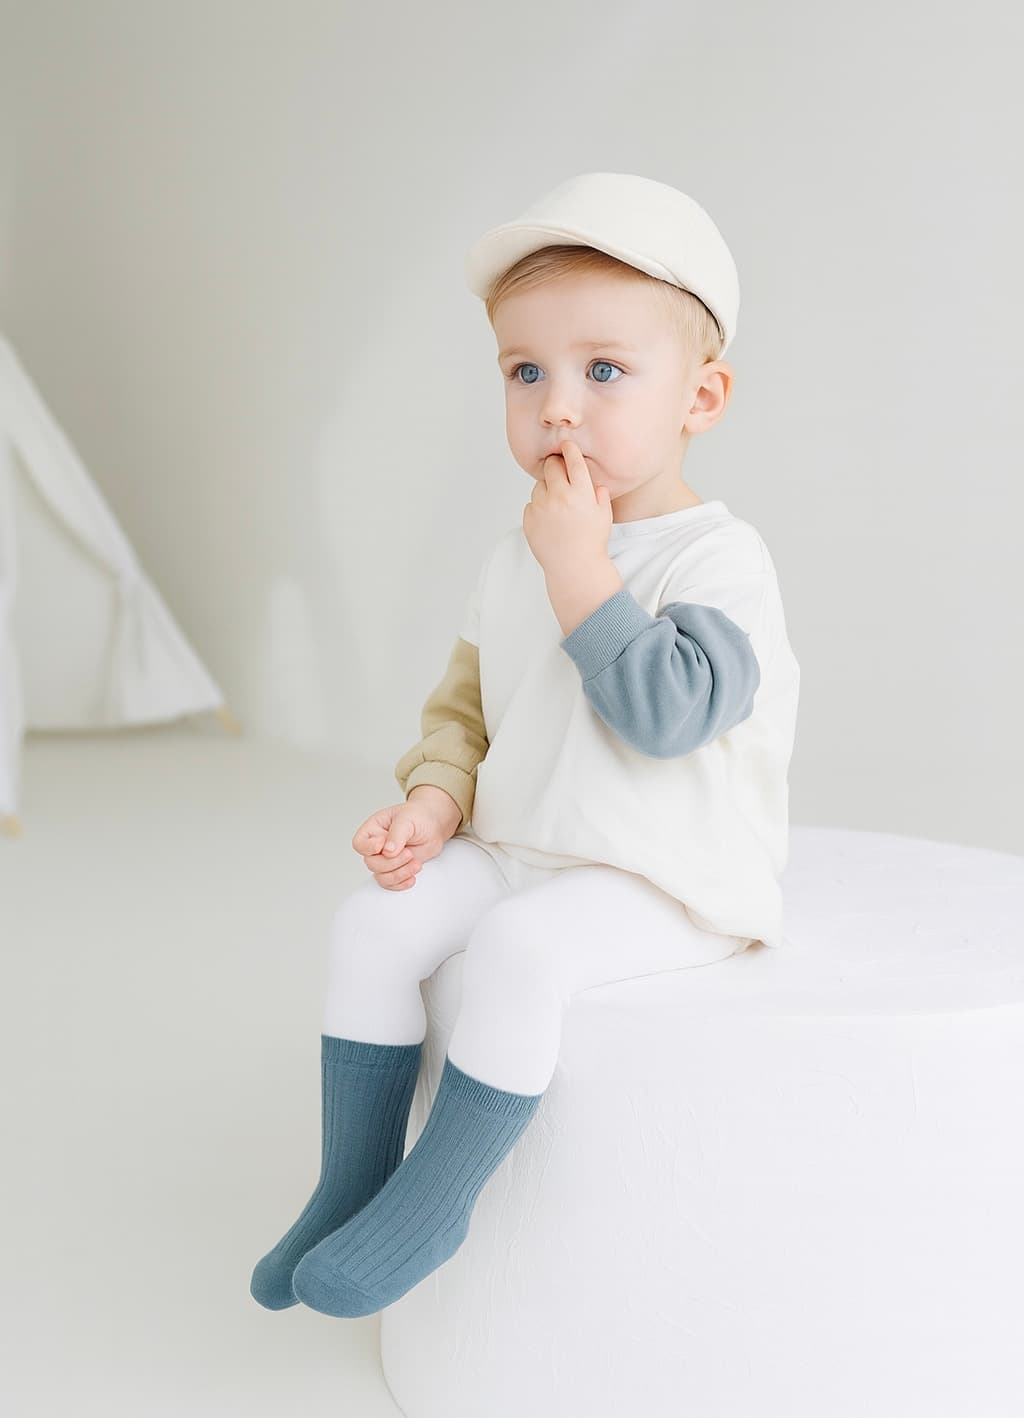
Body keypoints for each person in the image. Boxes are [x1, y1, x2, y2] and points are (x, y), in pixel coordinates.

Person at [250, 171, 801, 1318]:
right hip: (526, 838)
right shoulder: (523, 551)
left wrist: (580, 569)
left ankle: (436, 1202)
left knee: (520, 953)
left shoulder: (718, 561)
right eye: (525, 371)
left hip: (660, 867)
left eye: (603, 370)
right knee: (372, 922)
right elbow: (468, 707)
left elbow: (668, 714)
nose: (559, 405)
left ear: (702, 395)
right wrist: (437, 803)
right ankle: (350, 1186)